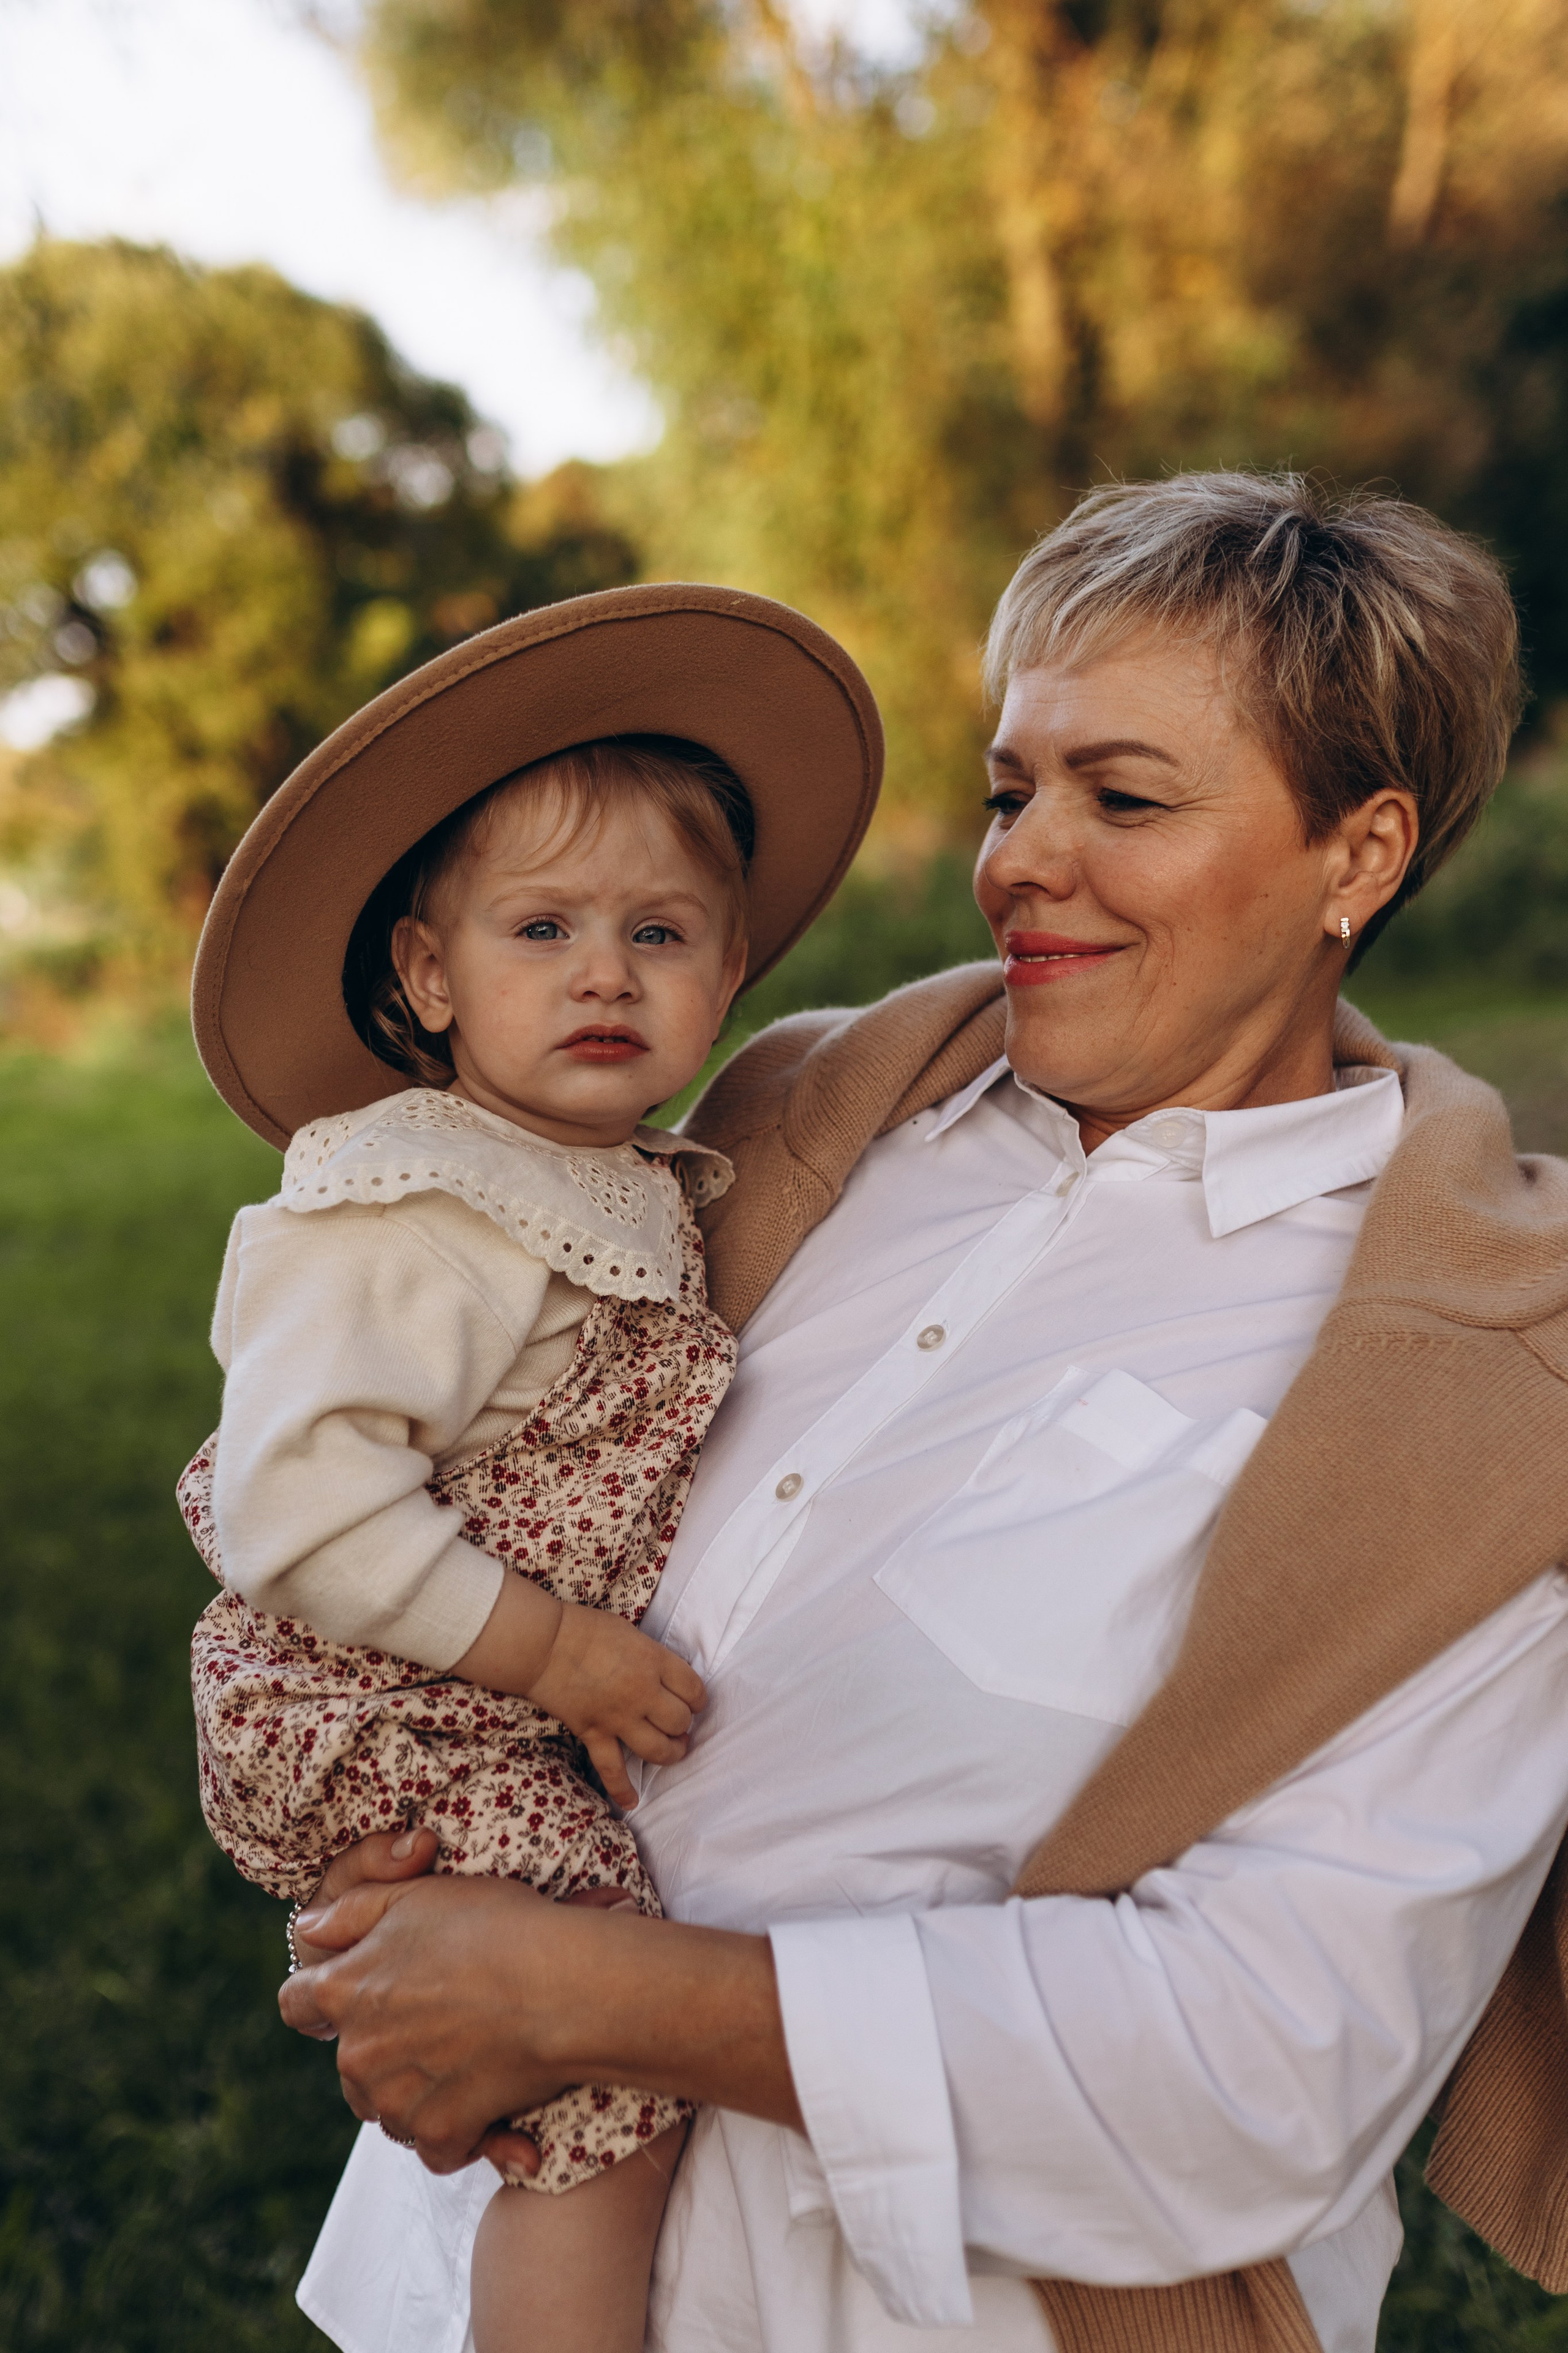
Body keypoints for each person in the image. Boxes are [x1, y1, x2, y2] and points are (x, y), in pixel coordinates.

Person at [282, 475, 1568, 2353]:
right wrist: (400, 1869)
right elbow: (471, 1474)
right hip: (454, 2255)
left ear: (1355, 857)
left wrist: (597, 1992)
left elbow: (1273, 2062)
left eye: (1123, 798)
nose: (1022, 860)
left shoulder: (1483, 1380)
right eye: (1009, 787)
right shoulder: (797, 1121)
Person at [178, 586, 883, 2353]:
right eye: (543, 926)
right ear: (432, 977)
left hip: (457, 1692)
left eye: (660, 933)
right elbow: (299, 1508)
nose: (602, 972)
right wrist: (563, 1660)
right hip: (376, 1698)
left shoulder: (619, 1184)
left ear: (729, 977)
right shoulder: (413, 1196)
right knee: (603, 2088)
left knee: (594, 2012)